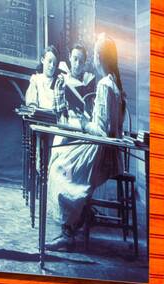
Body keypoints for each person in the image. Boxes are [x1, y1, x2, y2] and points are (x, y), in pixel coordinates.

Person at [47, 35, 126, 252]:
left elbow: (99, 131)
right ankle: (78, 216)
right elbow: (112, 128)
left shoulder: (103, 85)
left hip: (99, 152)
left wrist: (83, 122)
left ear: (99, 58)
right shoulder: (116, 85)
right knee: (64, 160)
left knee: (59, 168)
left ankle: (68, 232)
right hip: (111, 154)